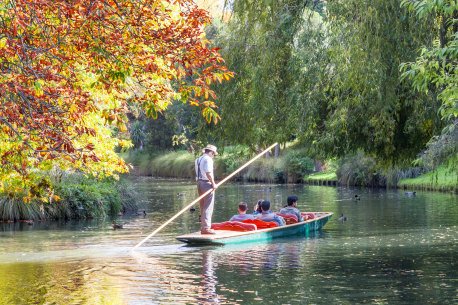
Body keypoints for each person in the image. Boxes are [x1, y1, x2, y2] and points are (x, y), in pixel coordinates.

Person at [195, 144, 218, 234]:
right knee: (208, 206)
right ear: (211, 152)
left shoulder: (198, 159)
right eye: (214, 154)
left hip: (199, 183)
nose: (213, 156)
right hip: (206, 183)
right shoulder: (208, 159)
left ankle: (203, 227)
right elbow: (208, 173)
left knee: (202, 205)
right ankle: (206, 228)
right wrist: (213, 184)